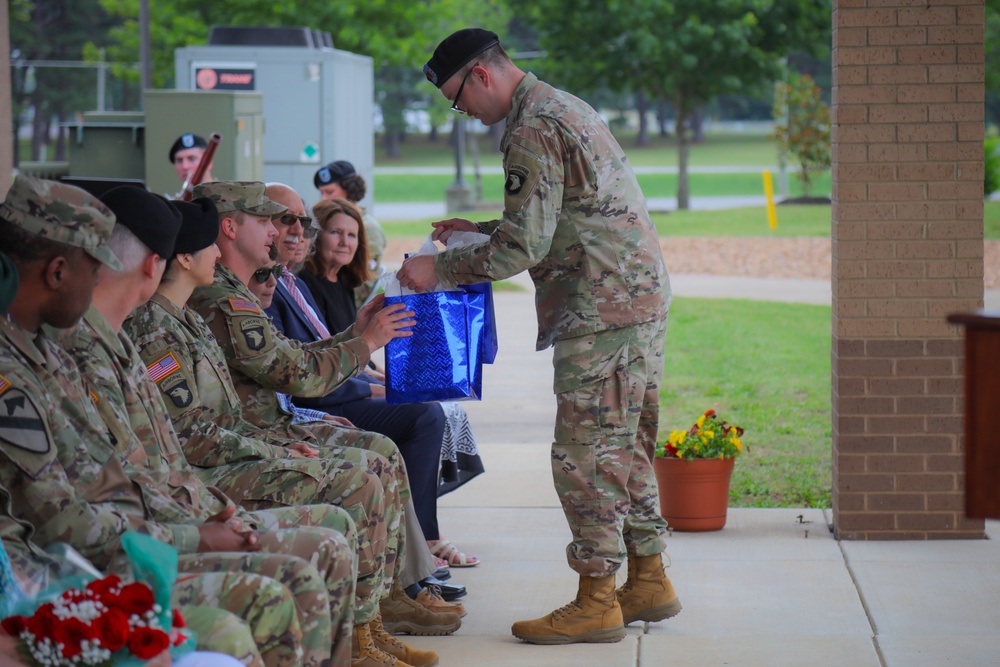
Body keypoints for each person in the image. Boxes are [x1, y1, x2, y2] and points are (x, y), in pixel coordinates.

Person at [0, 176, 358, 666]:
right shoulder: (28, 369)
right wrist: (197, 531)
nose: (103, 279)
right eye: (97, 267)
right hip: (66, 570)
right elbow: (67, 518)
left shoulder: (56, 349)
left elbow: (123, 477)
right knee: (275, 592)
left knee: (322, 540)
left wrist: (207, 514)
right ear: (59, 271)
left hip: (140, 529)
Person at [399, 28, 682, 645]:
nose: (463, 114)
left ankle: (597, 599)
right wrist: (478, 228)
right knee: (624, 447)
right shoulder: (559, 106)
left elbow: (524, 246)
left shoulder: (530, 128)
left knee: (585, 457)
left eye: (457, 98)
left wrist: (436, 270)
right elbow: (556, 217)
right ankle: (648, 579)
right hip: (628, 300)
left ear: (481, 75)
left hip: (601, 311)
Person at [116, 190, 444, 665]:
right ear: (186, 256)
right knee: (358, 479)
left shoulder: (186, 317)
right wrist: (278, 450)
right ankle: (359, 635)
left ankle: (372, 619)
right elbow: (201, 428)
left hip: (238, 446)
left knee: (378, 457)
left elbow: (265, 380)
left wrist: (356, 336)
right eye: (269, 221)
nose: (278, 233)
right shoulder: (167, 327)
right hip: (206, 469)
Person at [264, 185, 480, 571]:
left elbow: (316, 350)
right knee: (423, 414)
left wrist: (360, 335)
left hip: (327, 391)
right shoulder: (266, 289)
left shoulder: (293, 284)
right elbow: (296, 373)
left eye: (303, 223)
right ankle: (415, 548)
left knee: (429, 407)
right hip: (308, 405)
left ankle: (416, 546)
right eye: (286, 221)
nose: (298, 232)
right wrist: (370, 356)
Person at [297, 197, 485, 501]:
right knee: (427, 413)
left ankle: (421, 523)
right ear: (317, 237)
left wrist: (383, 378)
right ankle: (423, 532)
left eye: (352, 234)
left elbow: (347, 349)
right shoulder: (302, 284)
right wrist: (380, 387)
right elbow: (320, 357)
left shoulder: (343, 284)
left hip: (345, 381)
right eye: (336, 233)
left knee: (442, 407)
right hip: (329, 394)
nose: (345, 242)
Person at [314, 161, 386, 306]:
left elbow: (363, 283)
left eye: (330, 192)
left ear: (350, 191)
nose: (324, 198)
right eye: (322, 193)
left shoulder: (369, 228)